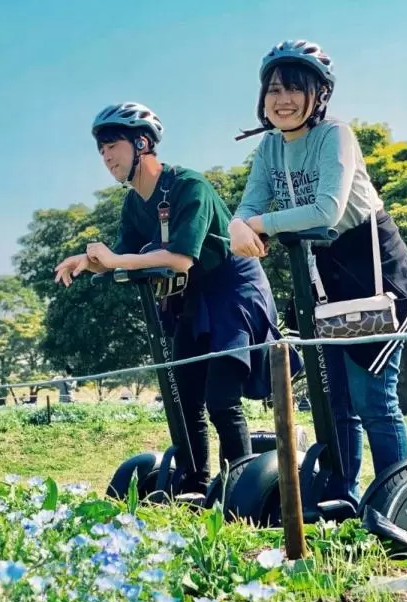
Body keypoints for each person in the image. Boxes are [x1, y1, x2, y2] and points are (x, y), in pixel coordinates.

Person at [55, 102, 291, 494]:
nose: (106, 155)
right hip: (193, 299)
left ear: (142, 143)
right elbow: (126, 256)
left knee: (220, 400)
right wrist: (90, 262)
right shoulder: (133, 203)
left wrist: (113, 260)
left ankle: (238, 489)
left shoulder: (188, 186)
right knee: (182, 399)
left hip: (234, 291)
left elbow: (181, 259)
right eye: (100, 149)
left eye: (113, 144)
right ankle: (195, 486)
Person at [229, 40, 407, 503]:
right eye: (275, 89)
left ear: (320, 95)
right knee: (333, 401)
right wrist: (238, 221)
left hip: (374, 270)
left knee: (373, 398)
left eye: (297, 89)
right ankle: (343, 497)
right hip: (321, 275)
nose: (284, 100)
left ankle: (401, 503)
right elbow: (248, 207)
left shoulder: (336, 134)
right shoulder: (270, 148)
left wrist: (255, 225)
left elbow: (328, 211)